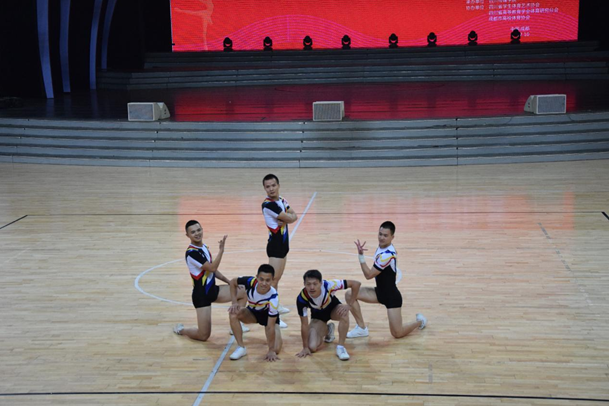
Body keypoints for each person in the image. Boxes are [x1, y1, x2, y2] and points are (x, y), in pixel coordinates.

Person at [346, 221, 427, 339]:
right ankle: (361, 328)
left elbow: (368, 275)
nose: (381, 238)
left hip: (391, 297)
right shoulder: (382, 247)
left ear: (392, 237)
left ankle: (420, 321)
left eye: (385, 235)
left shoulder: (387, 255)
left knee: (397, 334)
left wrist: (361, 256)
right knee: (350, 294)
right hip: (379, 293)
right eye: (380, 234)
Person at [173, 220, 248, 341]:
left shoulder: (204, 247)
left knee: (243, 291)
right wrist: (221, 251)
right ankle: (181, 330)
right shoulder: (192, 253)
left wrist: (229, 282)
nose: (197, 233)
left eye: (199, 230)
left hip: (213, 290)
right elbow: (212, 268)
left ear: (202, 230)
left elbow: (212, 271)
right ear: (187, 235)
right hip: (201, 296)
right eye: (193, 232)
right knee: (203, 336)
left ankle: (235, 324)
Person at [295, 270, 361, 361]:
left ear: (321, 283)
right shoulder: (302, 299)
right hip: (318, 316)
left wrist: (349, 305)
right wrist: (305, 347)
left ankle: (341, 347)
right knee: (312, 347)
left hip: (333, 309)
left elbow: (356, 284)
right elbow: (304, 324)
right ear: (304, 284)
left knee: (344, 314)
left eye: (315, 284)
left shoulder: (329, 285)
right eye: (308, 284)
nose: (312, 287)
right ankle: (328, 329)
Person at [261, 174, 298, 324]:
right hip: (275, 247)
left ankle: (276, 304)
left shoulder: (282, 200)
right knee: (272, 281)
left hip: (283, 245)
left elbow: (294, 216)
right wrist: (288, 218)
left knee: (277, 279)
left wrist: (288, 218)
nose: (271, 189)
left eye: (273, 185)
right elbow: (290, 218)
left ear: (278, 185)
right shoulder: (268, 205)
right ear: (264, 188)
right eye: (268, 186)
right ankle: (273, 316)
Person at [228, 264, 283, 361]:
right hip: (252, 313)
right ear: (257, 277)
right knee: (233, 313)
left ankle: (277, 328)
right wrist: (234, 302)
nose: (264, 283)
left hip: (268, 317)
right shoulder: (250, 282)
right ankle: (241, 347)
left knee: (276, 349)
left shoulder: (273, 298)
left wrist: (271, 350)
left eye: (267, 280)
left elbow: (270, 326)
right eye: (261, 279)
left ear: (272, 280)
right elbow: (232, 282)